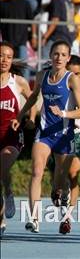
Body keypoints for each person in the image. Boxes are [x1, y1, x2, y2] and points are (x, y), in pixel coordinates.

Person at [11, 40, 80, 233]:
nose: (59, 57)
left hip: (64, 134)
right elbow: (34, 97)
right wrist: (20, 116)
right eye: (56, 54)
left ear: (68, 58)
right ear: (50, 56)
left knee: (59, 181)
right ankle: (34, 218)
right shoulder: (42, 75)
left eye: (63, 55)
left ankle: (62, 193)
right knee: (36, 172)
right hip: (44, 132)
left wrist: (64, 114)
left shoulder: (71, 79)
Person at [0, 41, 36, 235]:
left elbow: (33, 100)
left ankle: (8, 193)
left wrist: (30, 118)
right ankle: (1, 220)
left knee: (2, 166)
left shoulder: (18, 81)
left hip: (11, 136)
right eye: (1, 56)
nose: (4, 60)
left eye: (8, 56)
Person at [56, 55, 80, 234]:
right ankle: (62, 197)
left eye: (78, 74)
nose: (75, 77)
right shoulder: (56, 84)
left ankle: (67, 217)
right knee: (60, 179)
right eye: (72, 73)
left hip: (75, 134)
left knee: (73, 174)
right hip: (55, 135)